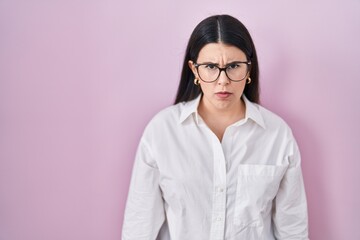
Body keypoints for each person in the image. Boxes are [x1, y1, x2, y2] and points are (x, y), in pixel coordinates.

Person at [122, 14, 309, 240]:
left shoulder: (277, 135)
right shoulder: (162, 131)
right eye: (210, 66)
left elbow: (293, 230)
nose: (223, 81)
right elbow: (139, 227)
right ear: (194, 70)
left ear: (249, 69)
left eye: (234, 66)